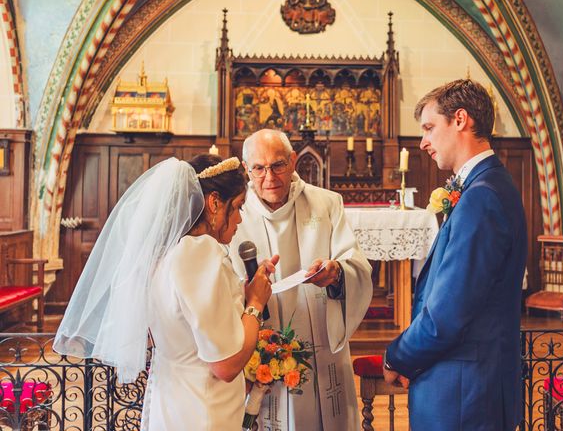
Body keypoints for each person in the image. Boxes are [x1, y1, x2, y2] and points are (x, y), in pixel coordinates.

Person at [54, 154, 276, 430]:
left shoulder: (165, 252)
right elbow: (226, 366)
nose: (240, 219)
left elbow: (186, 323)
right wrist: (255, 303)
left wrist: (239, 297)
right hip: (203, 406)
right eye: (239, 207)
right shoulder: (200, 252)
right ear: (215, 202)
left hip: (172, 396)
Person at [383, 79, 527, 430]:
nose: (423, 142)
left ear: (460, 119)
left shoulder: (482, 196)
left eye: (430, 128)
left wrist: (396, 356)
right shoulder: (489, 184)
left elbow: (447, 314)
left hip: (465, 392)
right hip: (470, 384)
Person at [231, 129, 372, 430]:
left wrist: (336, 272)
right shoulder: (236, 213)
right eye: (259, 168)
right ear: (247, 169)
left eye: (278, 165)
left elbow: (356, 265)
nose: (269, 177)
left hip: (318, 334)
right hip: (259, 342)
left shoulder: (327, 203)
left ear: (294, 161)